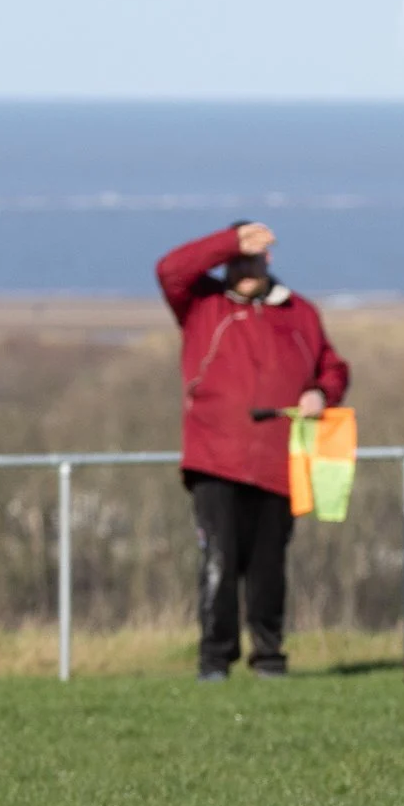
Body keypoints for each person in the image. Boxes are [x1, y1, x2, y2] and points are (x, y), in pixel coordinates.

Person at [156, 221, 350, 680]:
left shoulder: (300, 313)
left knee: (268, 569)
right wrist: (229, 240)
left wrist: (322, 393)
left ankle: (269, 657)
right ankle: (214, 661)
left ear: (269, 261)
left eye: (252, 258)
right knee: (219, 564)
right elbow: (169, 270)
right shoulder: (202, 304)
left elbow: (333, 367)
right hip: (215, 460)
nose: (245, 269)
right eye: (236, 260)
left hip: (279, 463)